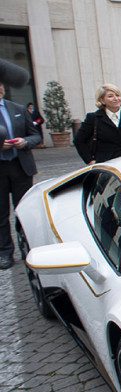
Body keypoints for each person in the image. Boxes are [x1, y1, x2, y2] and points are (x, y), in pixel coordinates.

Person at [0, 81, 41, 270]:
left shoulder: (17, 109)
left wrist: (25, 141)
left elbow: (36, 135)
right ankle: (5, 253)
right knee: (1, 214)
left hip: (20, 167)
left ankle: (28, 248)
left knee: (24, 210)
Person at [74, 84, 121, 164]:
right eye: (110, 96)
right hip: (106, 164)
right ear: (102, 100)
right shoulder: (93, 118)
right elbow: (79, 140)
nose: (116, 98)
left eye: (117, 95)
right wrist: (89, 161)